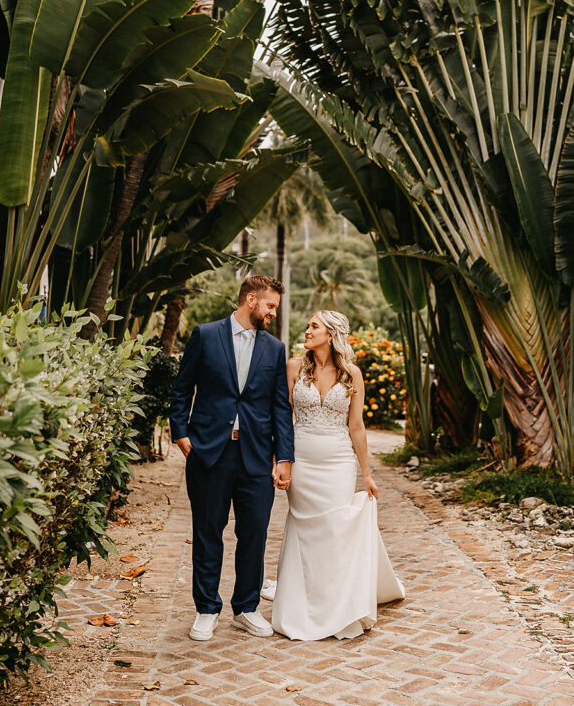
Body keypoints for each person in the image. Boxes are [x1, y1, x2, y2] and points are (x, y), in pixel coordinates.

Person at [169, 275, 294, 642]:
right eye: (270, 306)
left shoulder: (274, 348)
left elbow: (279, 408)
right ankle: (206, 608)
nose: (272, 313)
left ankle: (247, 608)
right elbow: (182, 389)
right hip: (209, 451)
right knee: (208, 532)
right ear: (250, 299)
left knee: (254, 532)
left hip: (256, 454)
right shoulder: (206, 335)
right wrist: (181, 433)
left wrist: (284, 456)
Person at [270, 309, 405, 640]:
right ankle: (301, 603)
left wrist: (367, 474)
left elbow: (356, 427)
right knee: (304, 526)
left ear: (330, 334)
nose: (307, 330)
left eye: (313, 326)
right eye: (308, 325)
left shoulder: (352, 374)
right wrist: (280, 459)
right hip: (302, 460)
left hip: (338, 463)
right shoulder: (293, 367)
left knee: (334, 529)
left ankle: (338, 604)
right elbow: (281, 419)